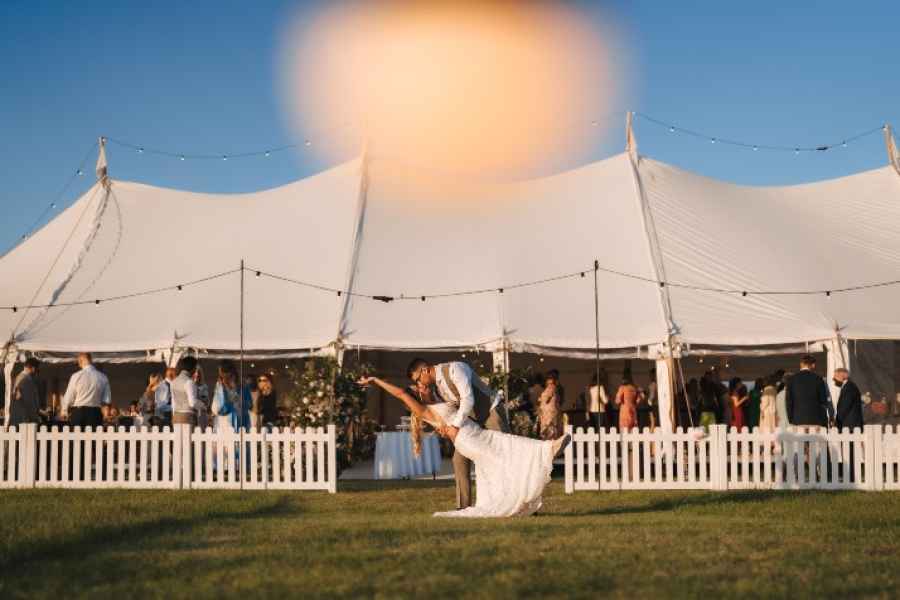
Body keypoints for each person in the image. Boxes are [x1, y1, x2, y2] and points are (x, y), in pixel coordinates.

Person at [361, 374, 569, 518]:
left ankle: (516, 499)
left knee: (501, 458)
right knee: (506, 447)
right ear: (416, 397)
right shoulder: (424, 410)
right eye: (419, 388)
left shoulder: (436, 399)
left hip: (475, 433)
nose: (423, 386)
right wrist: (376, 380)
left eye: (421, 385)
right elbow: (400, 393)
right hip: (468, 439)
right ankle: (547, 450)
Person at [407, 358, 510, 510]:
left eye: (417, 379)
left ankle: (518, 501)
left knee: (504, 456)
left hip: (491, 412)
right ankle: (463, 507)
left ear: (425, 370)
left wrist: (455, 426)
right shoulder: (436, 389)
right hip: (470, 423)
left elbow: (468, 399)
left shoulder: (455, 369)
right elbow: (449, 410)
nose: (419, 384)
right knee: (458, 460)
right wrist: (443, 427)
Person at [61, 352, 111, 428]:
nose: (78, 365)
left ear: (81, 361)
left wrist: (64, 410)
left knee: (77, 435)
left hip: (79, 413)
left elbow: (69, 395)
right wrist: (106, 414)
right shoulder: (103, 377)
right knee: (94, 436)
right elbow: (106, 400)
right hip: (95, 413)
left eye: (78, 362)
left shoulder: (76, 376)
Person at [786, 355, 833, 428]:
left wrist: (790, 419)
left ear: (801, 364)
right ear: (813, 365)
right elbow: (823, 401)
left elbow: (789, 401)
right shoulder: (818, 379)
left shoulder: (792, 379)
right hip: (816, 419)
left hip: (797, 420)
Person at [212, 361, 248, 431]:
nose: (220, 374)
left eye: (221, 371)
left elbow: (238, 403)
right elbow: (215, 407)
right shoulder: (220, 385)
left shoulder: (240, 385)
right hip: (224, 420)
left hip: (232, 420)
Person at [9, 357, 41, 427]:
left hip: (17, 416)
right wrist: (35, 416)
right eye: (37, 369)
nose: (37, 372)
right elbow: (29, 400)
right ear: (33, 368)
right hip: (24, 417)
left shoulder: (19, 377)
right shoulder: (26, 379)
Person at [171, 356, 201, 426]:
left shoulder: (174, 381)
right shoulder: (189, 382)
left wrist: (173, 415)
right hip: (188, 416)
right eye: (195, 368)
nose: (195, 370)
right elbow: (192, 403)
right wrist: (202, 405)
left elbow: (173, 402)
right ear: (192, 367)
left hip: (176, 415)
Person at [537, 371, 562, 440]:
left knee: (549, 433)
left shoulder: (551, 387)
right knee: (550, 432)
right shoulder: (553, 388)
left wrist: (540, 399)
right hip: (549, 413)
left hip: (549, 414)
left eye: (549, 378)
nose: (548, 381)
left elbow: (547, 398)